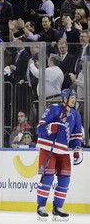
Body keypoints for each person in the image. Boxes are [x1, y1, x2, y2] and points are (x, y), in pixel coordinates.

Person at [36, 89, 83, 221]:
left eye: (75, 97)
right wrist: (51, 127)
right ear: (64, 98)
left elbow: (76, 135)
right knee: (48, 177)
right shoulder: (53, 109)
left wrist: (77, 148)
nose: (74, 100)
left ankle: (58, 208)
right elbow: (40, 127)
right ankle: (41, 207)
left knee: (65, 179)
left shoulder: (76, 115)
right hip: (48, 147)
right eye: (71, 97)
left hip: (63, 150)